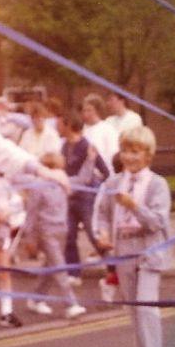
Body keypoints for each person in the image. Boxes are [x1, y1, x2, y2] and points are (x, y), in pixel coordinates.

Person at [93, 126, 172, 347]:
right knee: (134, 310)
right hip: (123, 250)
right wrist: (103, 233)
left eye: (135, 151)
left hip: (149, 250)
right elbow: (102, 214)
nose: (129, 157)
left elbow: (158, 223)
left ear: (148, 155)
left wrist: (133, 206)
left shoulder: (158, 184)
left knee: (148, 308)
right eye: (125, 150)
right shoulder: (113, 183)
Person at [20, 151, 87, 320]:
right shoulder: (38, 186)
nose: (62, 172)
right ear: (50, 168)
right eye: (58, 167)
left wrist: (91, 159)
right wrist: (30, 238)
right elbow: (31, 213)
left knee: (51, 266)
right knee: (59, 267)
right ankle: (71, 304)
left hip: (61, 229)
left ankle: (36, 299)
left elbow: (82, 179)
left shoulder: (63, 183)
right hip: (46, 231)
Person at [59, 113, 109, 282]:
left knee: (93, 234)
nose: (58, 127)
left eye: (61, 124)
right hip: (70, 197)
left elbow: (105, 170)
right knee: (69, 234)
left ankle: (112, 266)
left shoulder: (86, 145)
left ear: (69, 125)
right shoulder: (64, 146)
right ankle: (74, 273)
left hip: (86, 199)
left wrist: (95, 185)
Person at [0, 165, 25, 327]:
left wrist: (7, 213)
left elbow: (17, 202)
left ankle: (7, 312)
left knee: (4, 272)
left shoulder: (3, 184)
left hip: (0, 233)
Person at [81, 94, 119, 174]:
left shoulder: (108, 129)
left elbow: (112, 154)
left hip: (102, 174)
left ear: (97, 111)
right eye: (84, 110)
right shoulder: (81, 130)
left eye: (89, 110)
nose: (85, 113)